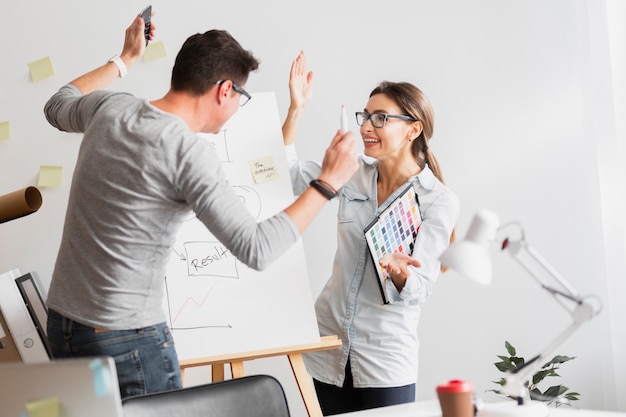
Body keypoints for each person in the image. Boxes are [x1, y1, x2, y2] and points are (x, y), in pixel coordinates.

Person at [43, 15, 358, 399]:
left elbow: (57, 103)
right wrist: (328, 182)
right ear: (225, 90)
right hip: (126, 341)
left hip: (63, 326)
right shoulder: (186, 151)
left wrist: (125, 59)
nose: (240, 106)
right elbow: (257, 248)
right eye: (242, 96)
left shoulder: (110, 108)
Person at [282, 51, 460, 415]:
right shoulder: (352, 170)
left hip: (384, 358)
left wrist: (398, 271)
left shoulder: (437, 200)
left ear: (413, 129)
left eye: (381, 118)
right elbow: (283, 176)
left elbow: (421, 285)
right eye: (366, 116)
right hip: (329, 347)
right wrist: (297, 108)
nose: (366, 127)